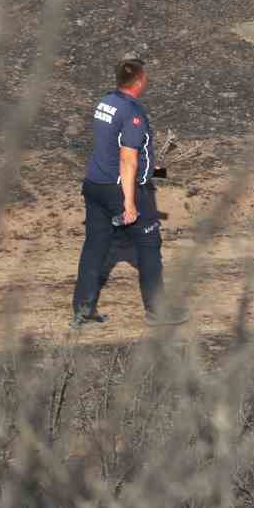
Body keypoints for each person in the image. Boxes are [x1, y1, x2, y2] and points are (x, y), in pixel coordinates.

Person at [72, 59, 185, 327]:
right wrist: (130, 203)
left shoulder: (106, 102)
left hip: (95, 185)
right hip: (120, 188)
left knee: (94, 247)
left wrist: (157, 171)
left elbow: (111, 148)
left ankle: (83, 312)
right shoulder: (132, 112)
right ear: (141, 80)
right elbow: (128, 160)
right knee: (148, 246)